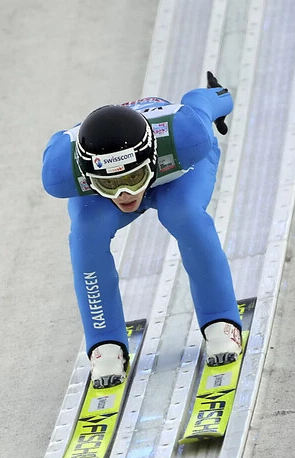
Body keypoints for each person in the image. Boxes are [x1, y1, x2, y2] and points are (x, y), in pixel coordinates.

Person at [42, 72, 242, 389]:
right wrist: (125, 181)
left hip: (174, 171)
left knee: (183, 213)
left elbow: (200, 102)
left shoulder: (188, 136)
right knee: (86, 233)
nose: (124, 194)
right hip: (135, 174)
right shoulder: (59, 172)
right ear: (86, 175)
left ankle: (220, 318)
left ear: (151, 158)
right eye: (110, 183)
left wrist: (220, 95)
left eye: (131, 179)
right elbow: (59, 142)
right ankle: (104, 342)